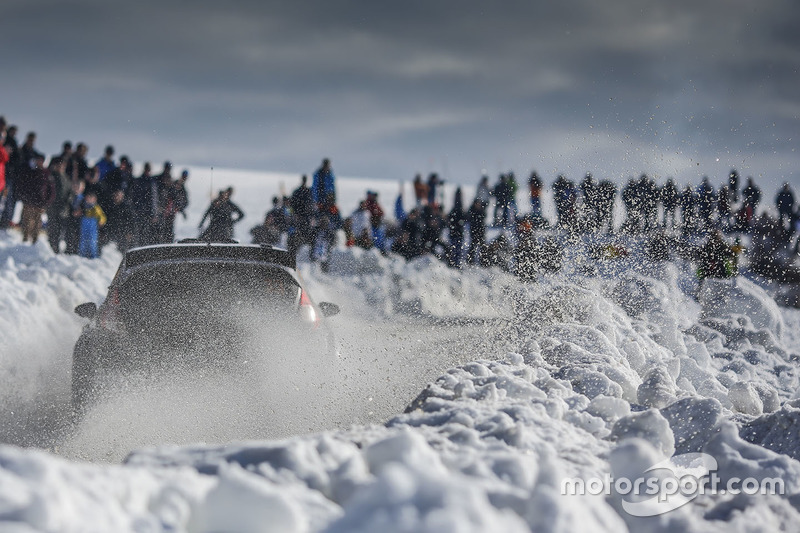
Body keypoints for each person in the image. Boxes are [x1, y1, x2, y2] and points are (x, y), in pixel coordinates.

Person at [18, 154, 55, 244]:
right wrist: (24, 198)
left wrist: (46, 202)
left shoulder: (46, 173)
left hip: (40, 204)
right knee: (26, 222)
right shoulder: (30, 172)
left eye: (40, 160)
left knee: (37, 223)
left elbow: (51, 190)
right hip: (29, 202)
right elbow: (23, 185)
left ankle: (34, 242)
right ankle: (25, 240)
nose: (38, 162)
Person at [46, 156, 72, 253]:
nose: (61, 167)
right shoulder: (51, 176)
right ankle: (52, 249)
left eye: (63, 165)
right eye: (59, 165)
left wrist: (68, 200)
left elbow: (71, 192)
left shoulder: (66, 178)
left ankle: (58, 249)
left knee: (61, 231)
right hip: (52, 208)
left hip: (63, 209)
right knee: (53, 230)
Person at [79, 192, 106, 258]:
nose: (89, 200)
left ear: (94, 199)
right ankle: (82, 255)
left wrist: (101, 221)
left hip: (93, 228)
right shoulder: (83, 206)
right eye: (88, 198)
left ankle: (93, 256)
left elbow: (102, 216)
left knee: (92, 243)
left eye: (91, 198)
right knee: (83, 242)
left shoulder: (96, 208)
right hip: (84, 227)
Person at [447, 188, 466, 268]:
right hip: (457, 233)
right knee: (457, 250)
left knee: (455, 250)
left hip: (455, 233)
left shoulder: (454, 210)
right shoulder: (459, 210)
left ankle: (454, 263)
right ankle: (456, 263)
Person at [466, 198, 486, 265]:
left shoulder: (481, 211)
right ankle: (470, 260)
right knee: (473, 246)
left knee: (482, 246)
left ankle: (483, 261)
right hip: (474, 231)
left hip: (481, 231)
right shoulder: (472, 211)